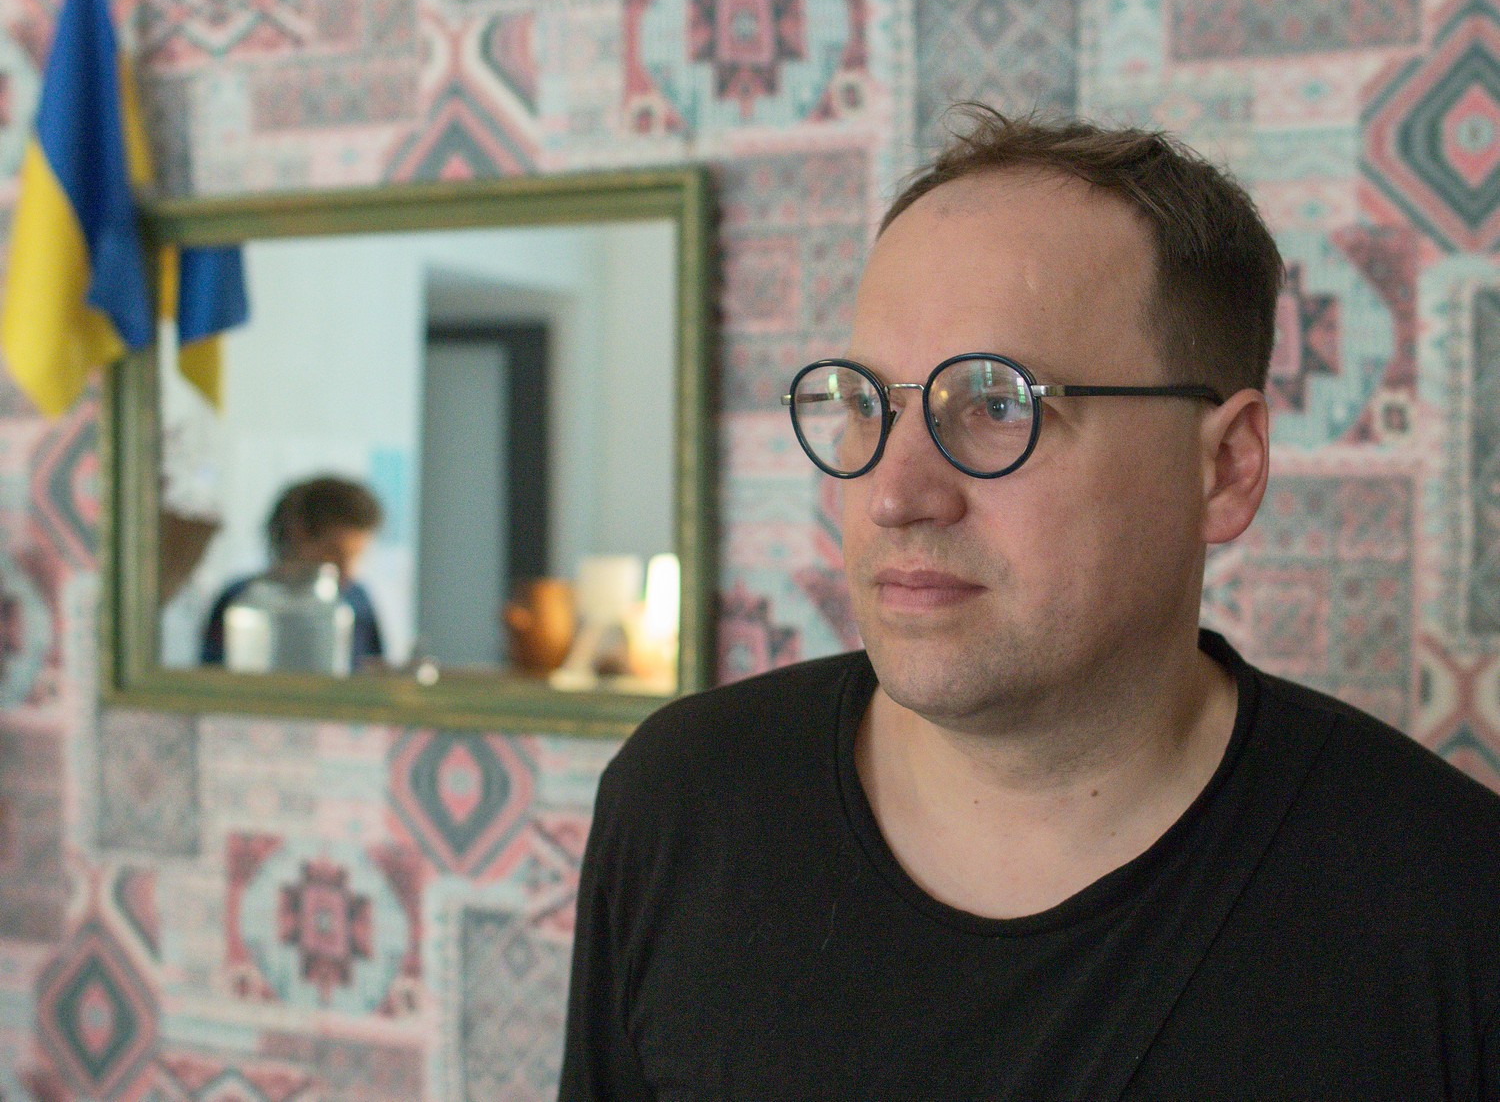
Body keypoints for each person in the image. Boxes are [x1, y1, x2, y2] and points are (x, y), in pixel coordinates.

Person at [559, 108, 1500, 1099]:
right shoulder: (685, 805)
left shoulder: (1451, 905)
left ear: (1224, 466)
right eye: (866, 403)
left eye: (997, 403)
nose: (894, 494)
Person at [201, 474, 386, 669]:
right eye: (333, 553)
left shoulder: (357, 602)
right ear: (297, 534)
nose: (347, 572)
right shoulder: (242, 599)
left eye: (356, 556)